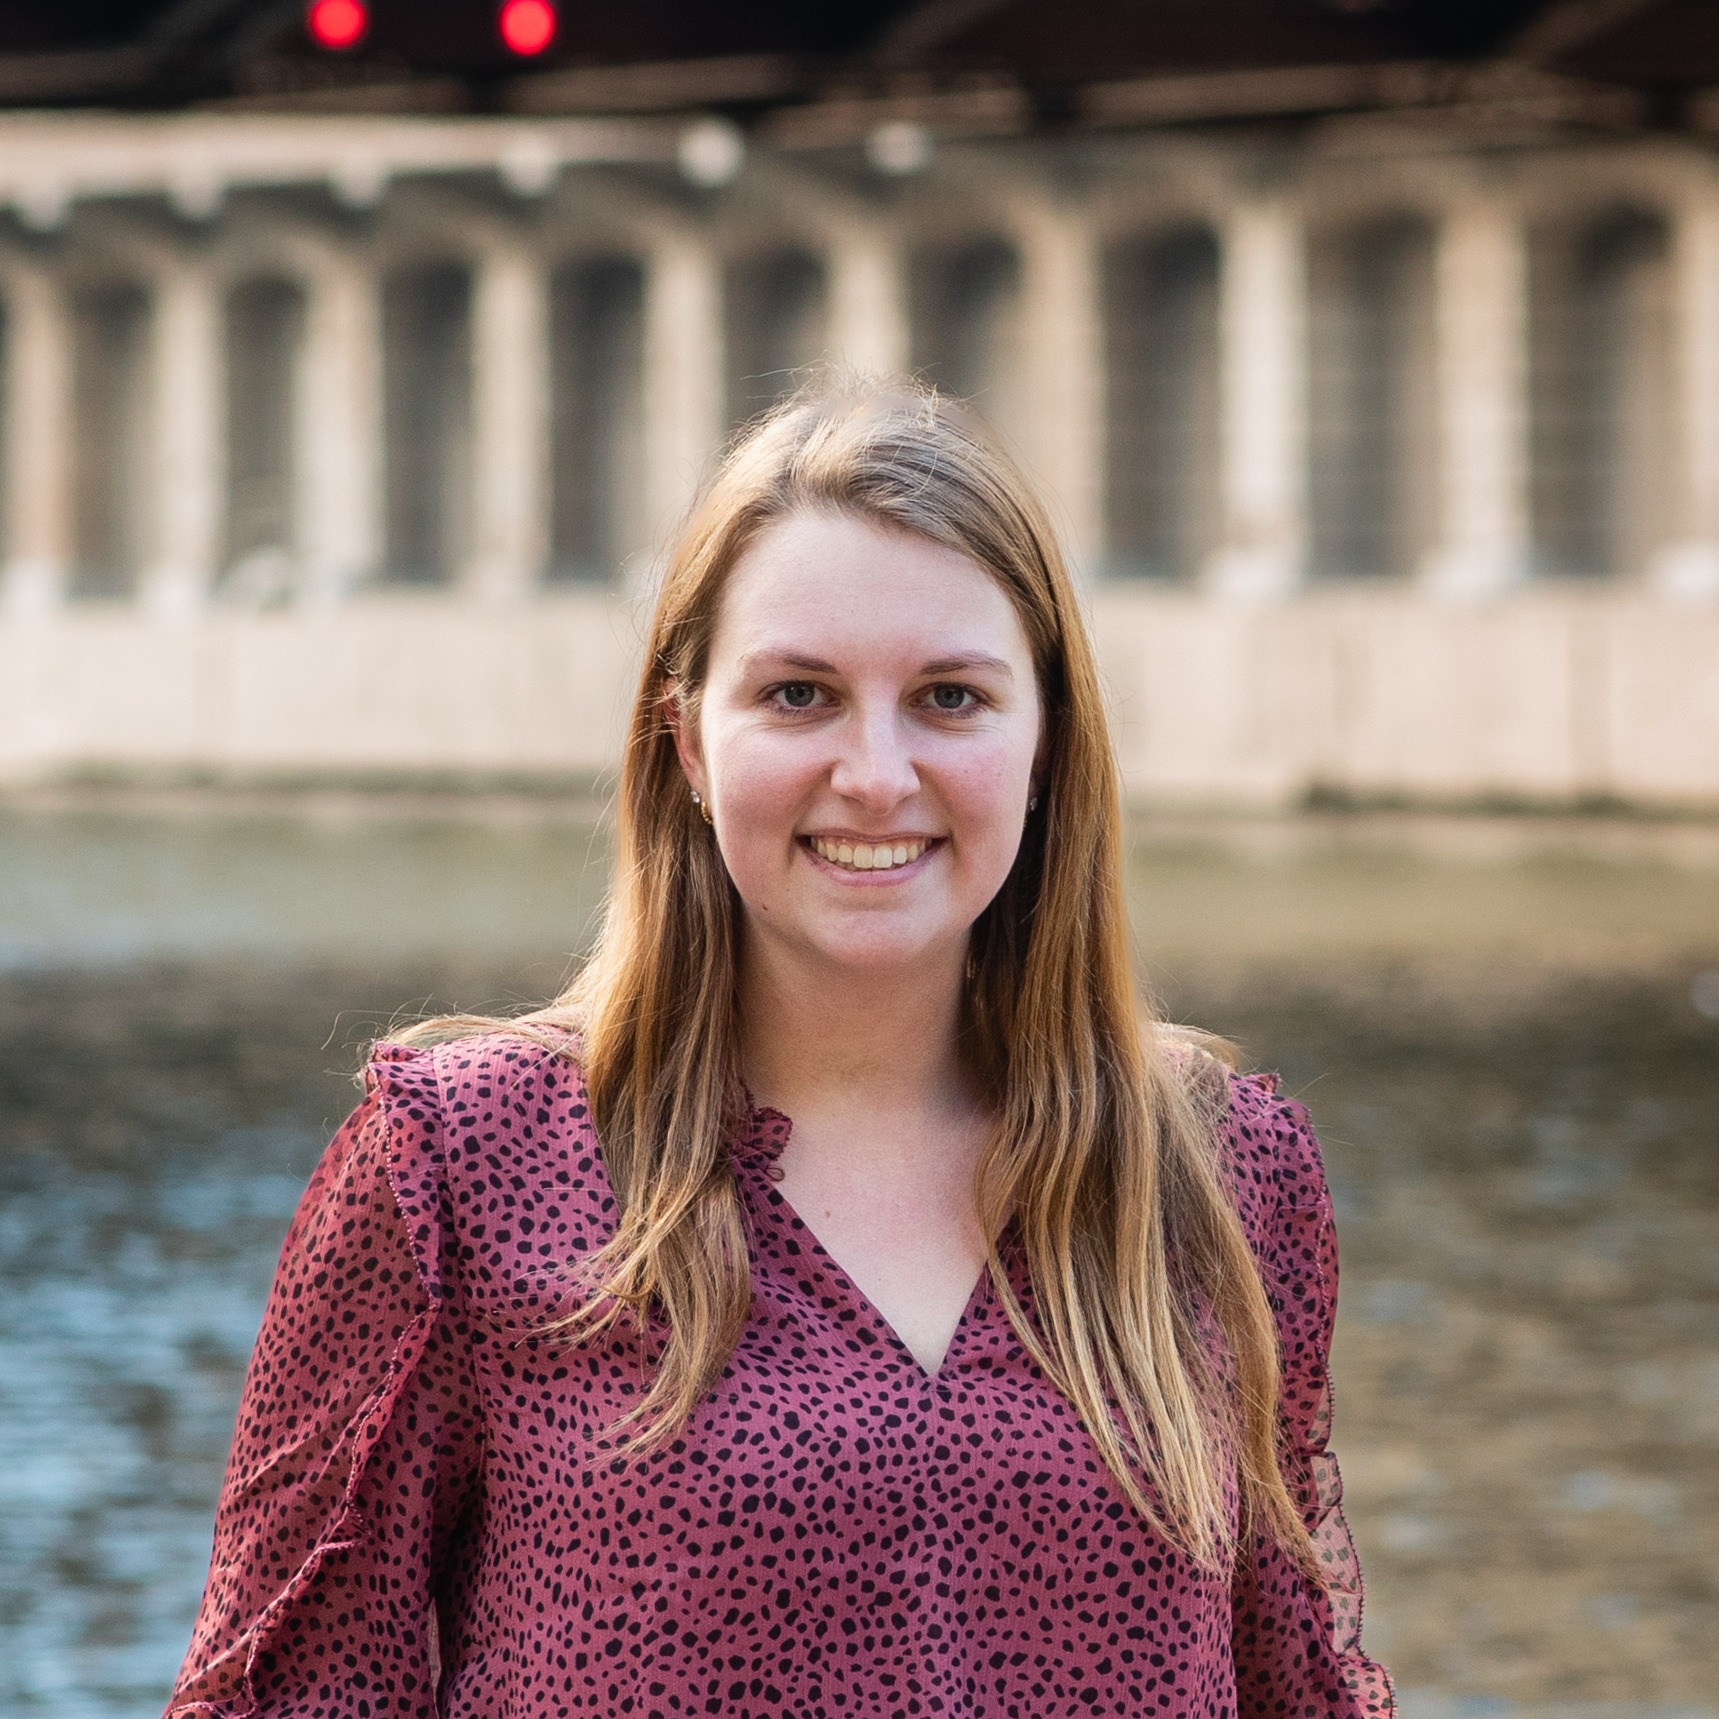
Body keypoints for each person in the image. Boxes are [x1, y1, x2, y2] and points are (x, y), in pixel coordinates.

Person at [167, 379, 1393, 1719]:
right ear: (688, 741)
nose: (877, 775)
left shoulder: (1219, 1170)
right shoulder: (461, 1169)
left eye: (951, 698)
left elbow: (1298, 1690)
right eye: (799, 695)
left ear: (1046, 742)